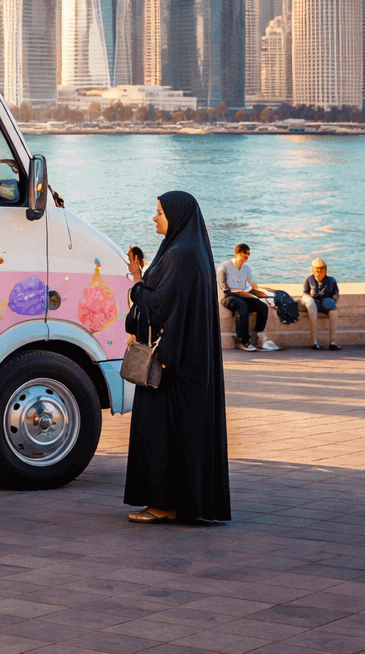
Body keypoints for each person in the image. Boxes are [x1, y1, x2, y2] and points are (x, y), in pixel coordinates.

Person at [123, 190, 231, 524]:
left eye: (159, 212)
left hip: (170, 367)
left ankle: (161, 505)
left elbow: (160, 305)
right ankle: (177, 504)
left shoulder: (179, 255)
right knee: (181, 434)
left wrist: (136, 283)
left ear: (176, 216)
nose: (154, 218)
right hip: (188, 363)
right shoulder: (192, 252)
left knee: (161, 433)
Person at [219, 243, 278, 352]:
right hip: (228, 297)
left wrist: (259, 293)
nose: (245, 260)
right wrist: (242, 293)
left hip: (243, 296)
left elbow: (249, 286)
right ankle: (243, 341)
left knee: (262, 306)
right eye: (243, 257)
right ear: (236, 254)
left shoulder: (246, 268)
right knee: (242, 306)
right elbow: (225, 289)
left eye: (247, 257)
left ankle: (258, 337)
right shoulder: (224, 267)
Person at [301, 257, 341, 351]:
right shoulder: (309, 279)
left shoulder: (331, 280)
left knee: (333, 313)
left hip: (325, 303)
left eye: (321, 271)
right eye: (317, 271)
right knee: (312, 308)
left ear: (325, 271)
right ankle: (313, 341)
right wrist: (310, 295)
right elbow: (305, 293)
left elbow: (335, 294)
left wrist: (332, 301)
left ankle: (332, 342)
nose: (319, 274)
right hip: (314, 303)